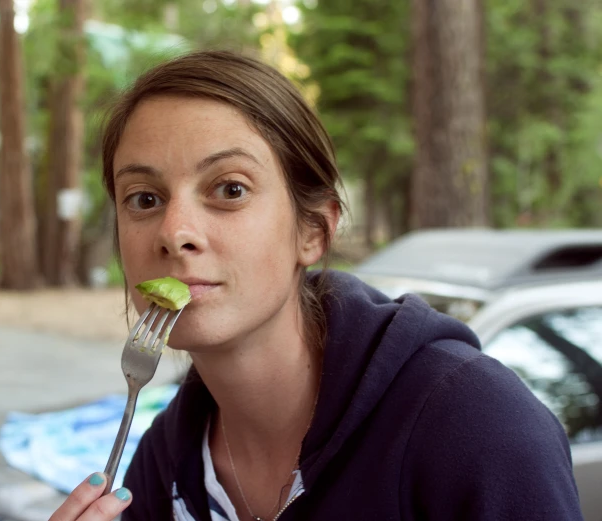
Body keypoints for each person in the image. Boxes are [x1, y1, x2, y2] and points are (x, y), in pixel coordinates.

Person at [49, 50, 583, 521]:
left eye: (229, 189)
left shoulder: (474, 428)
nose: (174, 232)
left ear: (314, 231)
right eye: (144, 198)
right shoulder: (163, 463)